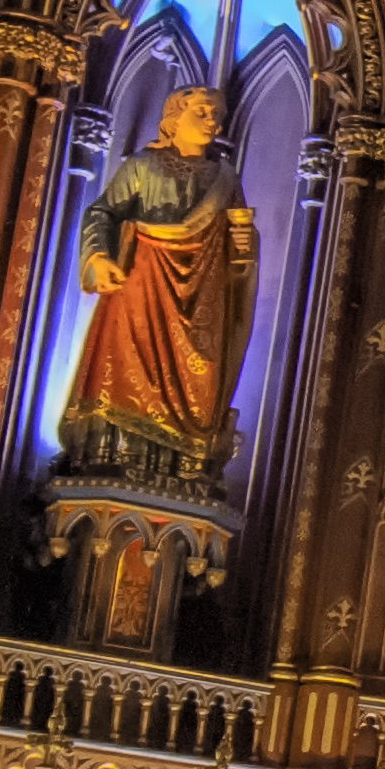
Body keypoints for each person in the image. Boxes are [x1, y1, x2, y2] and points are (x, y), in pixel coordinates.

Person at [60, 81, 255, 488]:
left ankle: (181, 467)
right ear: (174, 118)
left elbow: (236, 250)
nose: (212, 121)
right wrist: (99, 257)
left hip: (201, 298)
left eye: (216, 115)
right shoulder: (141, 166)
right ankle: (112, 453)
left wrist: (245, 246)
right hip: (143, 285)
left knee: (200, 378)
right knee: (126, 369)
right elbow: (103, 213)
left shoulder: (226, 179)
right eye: (201, 111)